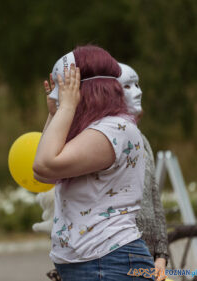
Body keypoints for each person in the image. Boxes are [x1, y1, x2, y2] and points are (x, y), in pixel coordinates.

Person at [33, 45, 155, 281]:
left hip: (109, 263)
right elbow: (45, 175)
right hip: (94, 263)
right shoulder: (96, 131)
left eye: (69, 91)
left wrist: (66, 108)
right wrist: (54, 114)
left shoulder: (114, 129)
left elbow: (44, 164)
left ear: (84, 91)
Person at [118, 63, 169, 273]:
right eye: (127, 86)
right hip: (119, 255)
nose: (138, 92)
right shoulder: (103, 140)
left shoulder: (143, 140)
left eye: (137, 84)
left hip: (148, 258)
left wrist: (162, 254)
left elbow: (154, 198)